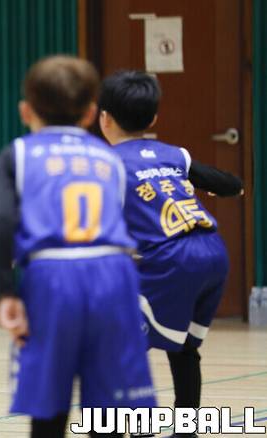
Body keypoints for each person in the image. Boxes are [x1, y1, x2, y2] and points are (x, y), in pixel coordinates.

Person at [0, 55, 155, 438]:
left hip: (53, 273)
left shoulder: (18, 154)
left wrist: (6, 292)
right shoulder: (111, 159)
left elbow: (2, 221)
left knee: (50, 405)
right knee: (112, 409)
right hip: (114, 274)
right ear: (91, 113)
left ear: (26, 111)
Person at [98, 70, 243, 438]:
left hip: (172, 260)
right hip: (213, 252)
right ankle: (185, 429)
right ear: (153, 119)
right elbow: (226, 183)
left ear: (104, 119)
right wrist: (234, 188)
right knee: (184, 348)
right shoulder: (174, 155)